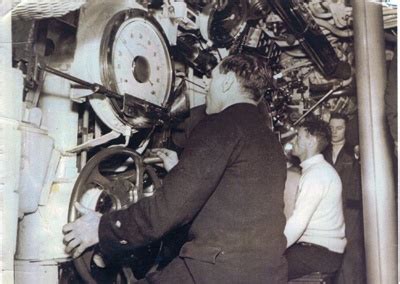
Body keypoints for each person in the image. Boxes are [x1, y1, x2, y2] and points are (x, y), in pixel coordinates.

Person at [63, 54, 288, 283]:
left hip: (217, 271)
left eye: (211, 79)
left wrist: (104, 228)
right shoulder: (271, 142)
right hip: (267, 273)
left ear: (227, 81)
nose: (207, 87)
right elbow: (236, 197)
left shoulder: (220, 124)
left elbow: (165, 212)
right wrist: (182, 170)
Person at [284, 118, 346, 280]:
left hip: (318, 253)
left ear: (311, 141)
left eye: (298, 136)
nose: (293, 140)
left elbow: (298, 222)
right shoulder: (317, 170)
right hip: (320, 251)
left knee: (260, 266)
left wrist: (275, 247)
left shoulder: (316, 174)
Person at [323, 112, 365, 284]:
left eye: (339, 128)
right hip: (327, 211)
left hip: (350, 210)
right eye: (331, 128)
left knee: (352, 256)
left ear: (347, 129)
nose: (334, 132)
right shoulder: (322, 152)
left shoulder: (355, 152)